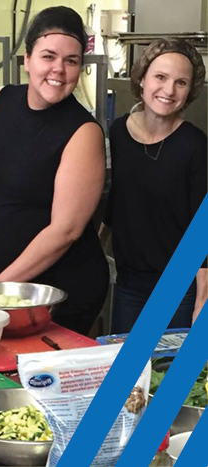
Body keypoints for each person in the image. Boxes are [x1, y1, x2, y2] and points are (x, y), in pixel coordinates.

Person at [0, 6, 109, 336]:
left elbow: (65, 230)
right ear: (27, 59)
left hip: (53, 294)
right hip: (0, 285)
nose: (59, 70)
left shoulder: (83, 132)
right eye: (48, 56)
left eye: (72, 61)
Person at [101, 38, 207, 333]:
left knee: (175, 377)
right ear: (142, 78)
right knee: (130, 375)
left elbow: (203, 230)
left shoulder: (195, 146)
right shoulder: (117, 133)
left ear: (190, 90)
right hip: (129, 285)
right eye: (161, 77)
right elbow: (113, 206)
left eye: (181, 82)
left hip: (179, 289)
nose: (169, 90)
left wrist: (202, 302)